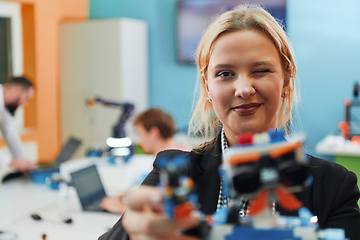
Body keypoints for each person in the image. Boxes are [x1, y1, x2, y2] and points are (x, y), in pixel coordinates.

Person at [99, 4, 360, 240]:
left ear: (286, 80)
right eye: (225, 73)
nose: (244, 89)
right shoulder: (173, 176)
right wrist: (133, 233)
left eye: (261, 70)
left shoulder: (334, 186)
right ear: (207, 86)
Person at [99, 108, 191, 214]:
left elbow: (166, 212)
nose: (140, 142)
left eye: (140, 134)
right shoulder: (182, 151)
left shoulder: (168, 163)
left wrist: (121, 209)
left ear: (153, 133)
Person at [0, 76, 38, 181]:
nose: (23, 104)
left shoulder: (3, 108)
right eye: (25, 98)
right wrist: (10, 162)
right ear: (16, 90)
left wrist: (22, 163)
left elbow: (11, 135)